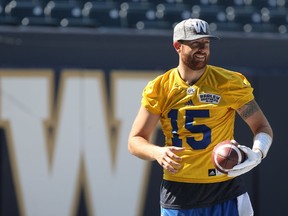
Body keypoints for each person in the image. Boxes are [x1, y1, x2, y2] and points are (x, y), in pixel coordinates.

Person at [128, 18, 273, 216]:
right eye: (195, 43)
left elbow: (262, 127)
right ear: (178, 46)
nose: (202, 49)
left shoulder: (228, 82)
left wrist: (258, 153)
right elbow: (135, 140)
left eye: (206, 43)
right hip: (178, 191)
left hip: (224, 188)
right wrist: (157, 153)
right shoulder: (160, 88)